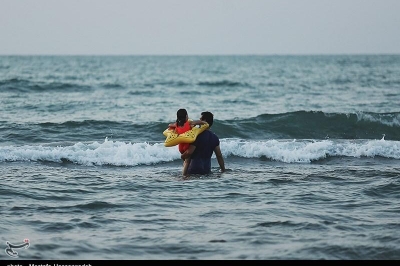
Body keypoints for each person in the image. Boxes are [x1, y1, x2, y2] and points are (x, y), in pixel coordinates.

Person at [180, 111, 225, 176]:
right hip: (207, 171)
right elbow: (219, 156)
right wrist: (223, 170)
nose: (199, 120)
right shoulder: (214, 137)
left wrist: (182, 156)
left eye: (201, 119)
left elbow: (189, 152)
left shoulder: (197, 136)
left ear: (204, 121)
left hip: (193, 170)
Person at [168, 109, 207, 174]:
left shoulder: (177, 125)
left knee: (185, 160)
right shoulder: (188, 123)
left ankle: (185, 168)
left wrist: (172, 127)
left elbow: (170, 125)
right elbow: (197, 122)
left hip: (180, 147)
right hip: (187, 146)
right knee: (187, 161)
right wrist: (204, 123)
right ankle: (184, 175)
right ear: (186, 116)